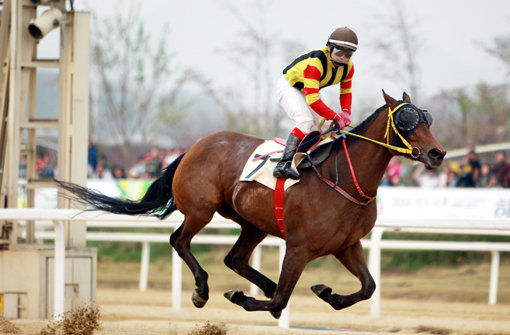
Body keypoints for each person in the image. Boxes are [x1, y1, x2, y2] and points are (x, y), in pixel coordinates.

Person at [273, 27, 358, 179]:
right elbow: (312, 100)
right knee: (306, 121)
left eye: (348, 54)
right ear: (329, 47)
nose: (343, 58)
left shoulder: (349, 68)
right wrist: (336, 117)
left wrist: (346, 112)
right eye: (339, 52)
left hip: (308, 90)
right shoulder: (316, 63)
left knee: (329, 127)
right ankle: (283, 164)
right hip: (289, 86)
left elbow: (345, 92)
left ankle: (316, 161)